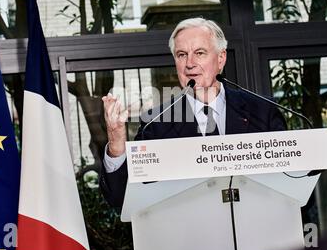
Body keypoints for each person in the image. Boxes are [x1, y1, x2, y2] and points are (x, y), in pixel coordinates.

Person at [100, 17, 286, 209]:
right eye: (182, 55)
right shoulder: (155, 123)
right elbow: (120, 199)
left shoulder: (262, 111)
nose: (190, 63)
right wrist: (116, 144)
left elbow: (291, 186)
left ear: (221, 58)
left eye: (199, 53)